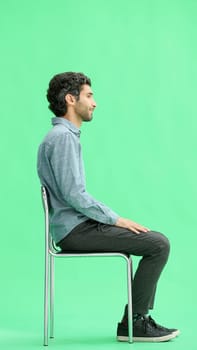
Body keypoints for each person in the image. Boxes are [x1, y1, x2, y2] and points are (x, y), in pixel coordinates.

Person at [37, 72, 179, 342]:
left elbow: (73, 195)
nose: (94, 103)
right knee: (158, 244)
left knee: (155, 241)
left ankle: (136, 320)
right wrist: (116, 219)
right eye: (89, 96)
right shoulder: (62, 138)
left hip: (76, 227)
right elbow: (74, 195)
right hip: (76, 231)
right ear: (70, 99)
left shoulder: (62, 136)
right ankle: (135, 323)